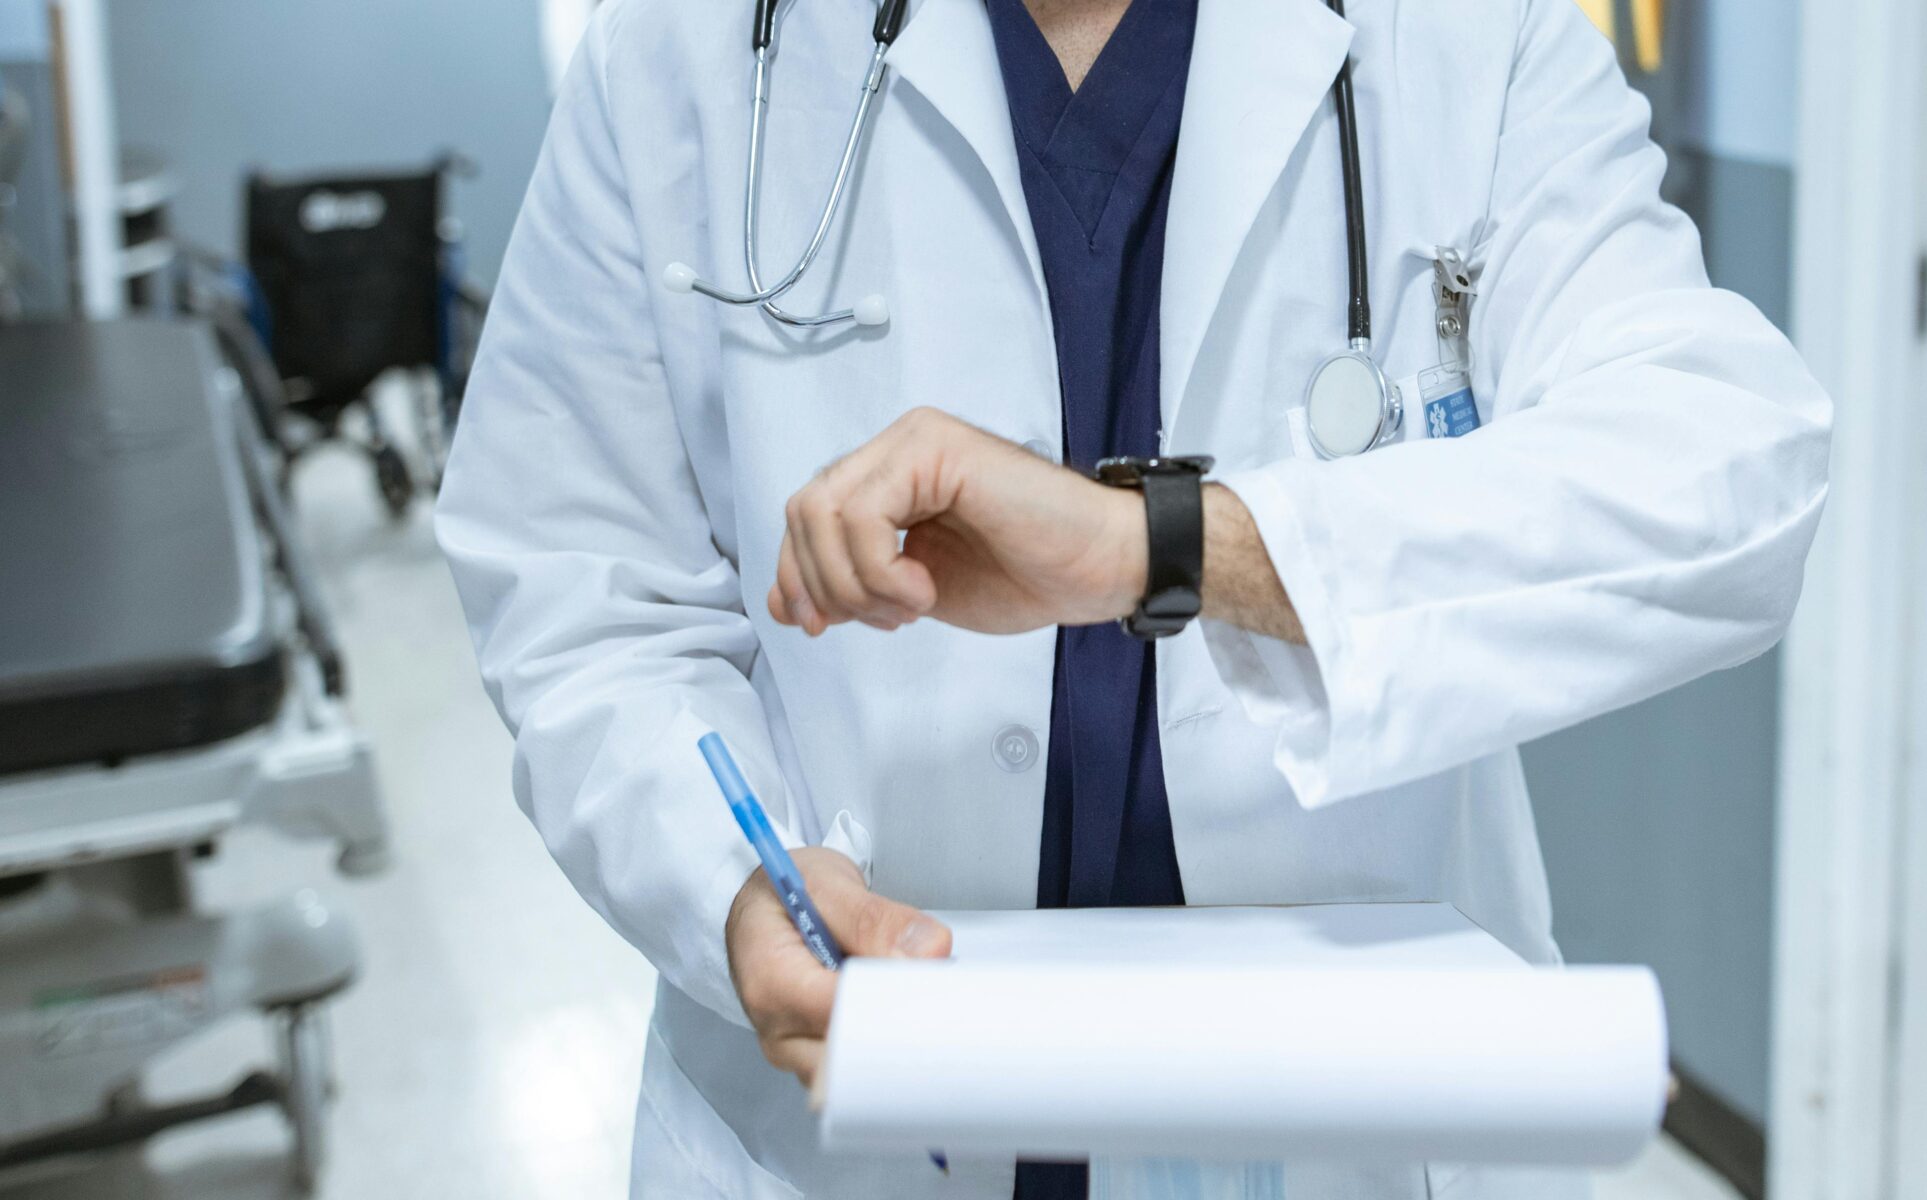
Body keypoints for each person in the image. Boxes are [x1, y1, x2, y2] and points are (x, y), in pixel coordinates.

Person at [436, 0, 1831, 1195]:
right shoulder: (688, 45)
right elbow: (580, 582)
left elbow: (1732, 470)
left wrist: (1167, 549)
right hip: (848, 1103)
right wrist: (731, 882)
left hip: (1345, 1114)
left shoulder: (1463, 34)